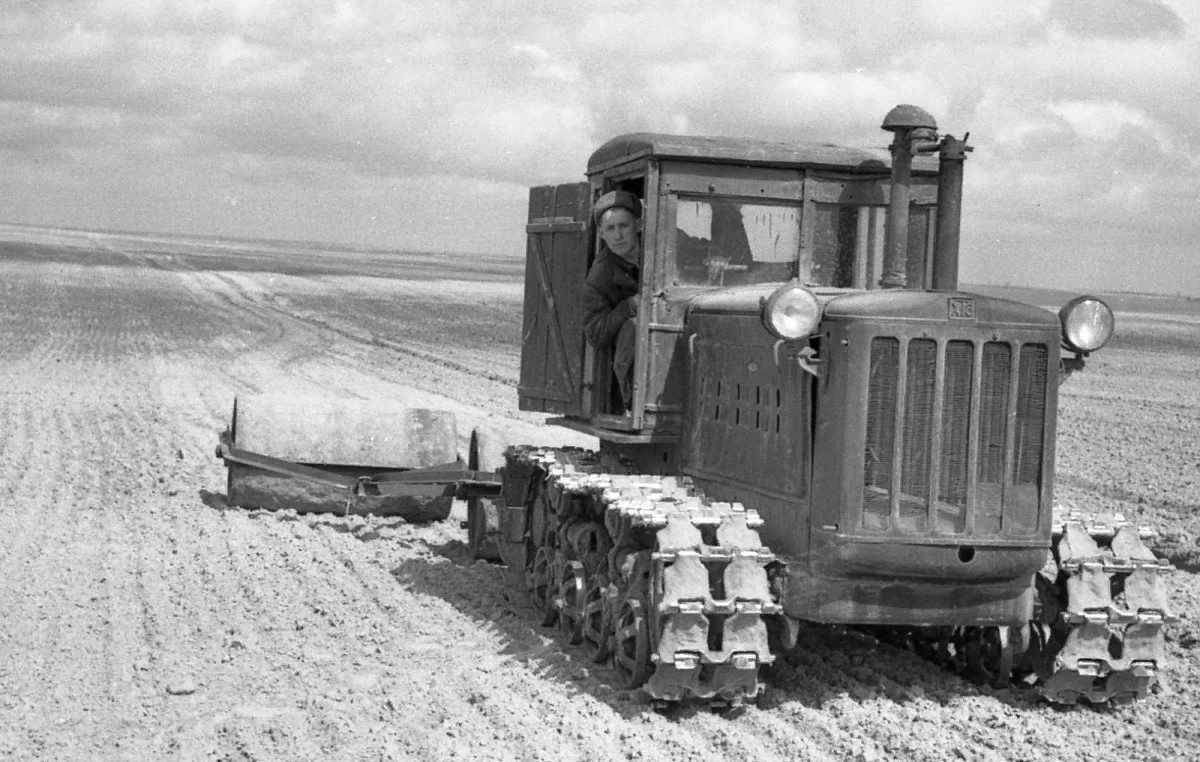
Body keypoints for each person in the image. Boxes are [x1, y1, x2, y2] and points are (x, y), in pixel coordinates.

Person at [582, 190, 642, 411]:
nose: (618, 236)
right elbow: (595, 333)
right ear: (601, 234)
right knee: (634, 328)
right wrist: (629, 307)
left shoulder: (665, 247)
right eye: (610, 228)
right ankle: (631, 405)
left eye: (623, 226)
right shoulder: (600, 276)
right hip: (632, 361)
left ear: (639, 225)